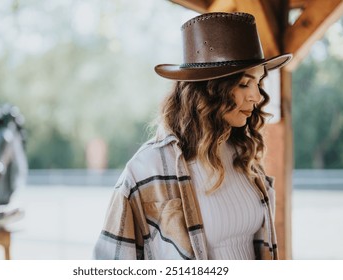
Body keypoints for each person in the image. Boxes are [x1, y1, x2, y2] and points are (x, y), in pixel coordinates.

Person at [93, 12, 292, 260]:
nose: (257, 96)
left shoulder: (244, 155)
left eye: (258, 82)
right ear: (208, 90)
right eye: (244, 84)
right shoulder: (145, 169)